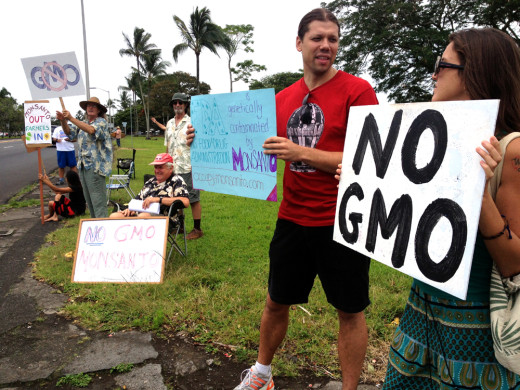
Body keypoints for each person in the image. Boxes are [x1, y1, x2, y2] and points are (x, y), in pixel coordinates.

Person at [226, 8, 379, 390]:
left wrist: (301, 153)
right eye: (317, 38)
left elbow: (370, 157)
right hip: (292, 218)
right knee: (276, 300)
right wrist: (201, 143)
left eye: (333, 39)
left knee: (350, 311)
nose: (326, 46)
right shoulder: (283, 99)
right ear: (299, 43)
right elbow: (251, 147)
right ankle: (261, 374)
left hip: (344, 220)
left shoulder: (358, 91)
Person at [380, 28, 520, 389]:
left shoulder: (512, 150)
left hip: (474, 326)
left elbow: (514, 262)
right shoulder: (449, 139)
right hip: (423, 308)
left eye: (442, 64)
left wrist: (480, 194)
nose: (433, 73)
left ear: (475, 72)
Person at [151, 92, 203, 240]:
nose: (178, 105)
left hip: (189, 166)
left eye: (181, 102)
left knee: (193, 198)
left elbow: (199, 146)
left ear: (186, 105)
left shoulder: (192, 123)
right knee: (177, 196)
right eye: (175, 103)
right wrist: (165, 165)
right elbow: (167, 147)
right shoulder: (169, 124)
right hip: (173, 167)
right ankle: (180, 226)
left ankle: (197, 229)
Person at [56, 97, 113, 218]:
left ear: (98, 110)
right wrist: (63, 121)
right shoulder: (83, 123)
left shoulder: (101, 122)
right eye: (88, 106)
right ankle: (95, 229)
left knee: (98, 202)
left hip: (95, 167)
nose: (90, 107)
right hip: (82, 167)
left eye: (94, 106)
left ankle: (102, 229)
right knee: (90, 202)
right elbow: (70, 134)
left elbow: (91, 130)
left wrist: (71, 118)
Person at [109, 153, 189, 218]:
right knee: (115, 216)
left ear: (170, 168)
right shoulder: (150, 182)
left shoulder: (176, 180)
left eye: (160, 167)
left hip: (164, 217)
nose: (157, 171)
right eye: (155, 167)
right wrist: (130, 209)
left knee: (143, 217)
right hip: (140, 214)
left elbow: (185, 202)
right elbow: (138, 200)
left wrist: (158, 199)